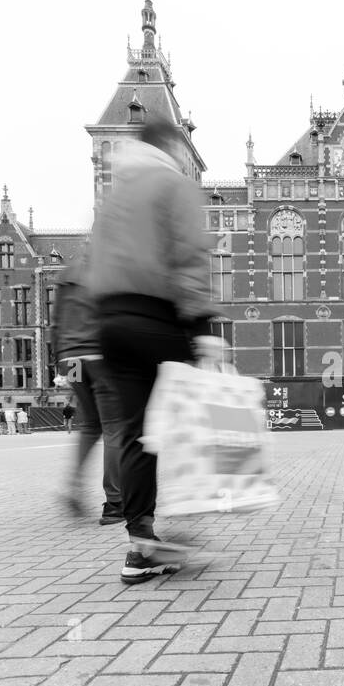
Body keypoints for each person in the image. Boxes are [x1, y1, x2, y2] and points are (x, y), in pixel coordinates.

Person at [86, 118, 220, 584]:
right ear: (174, 148)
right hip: (156, 319)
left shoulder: (113, 199)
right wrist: (202, 326)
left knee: (139, 436)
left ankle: (140, 544)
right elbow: (188, 253)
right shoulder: (172, 185)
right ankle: (184, 521)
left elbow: (92, 267)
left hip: (110, 325)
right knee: (186, 420)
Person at [52, 251, 125, 525]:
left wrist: (60, 360)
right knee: (113, 427)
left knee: (90, 425)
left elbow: (56, 322)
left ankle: (73, 485)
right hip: (99, 357)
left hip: (71, 358)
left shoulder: (67, 274)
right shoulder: (110, 268)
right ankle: (115, 504)